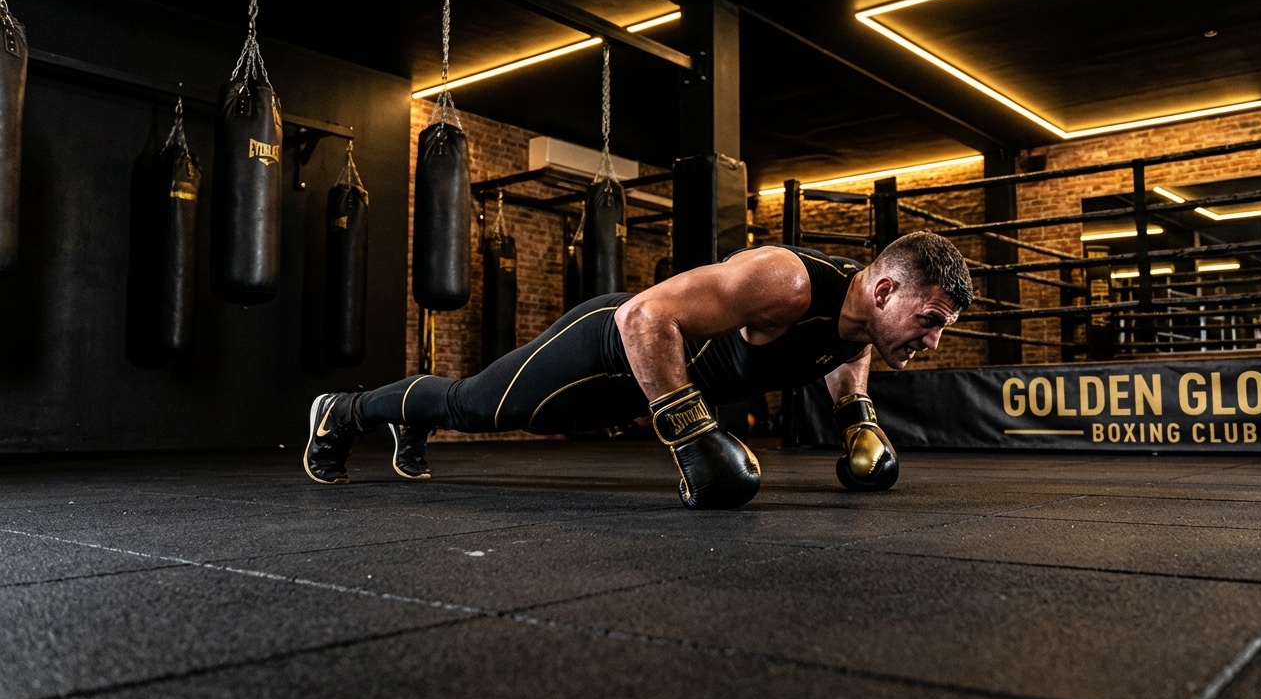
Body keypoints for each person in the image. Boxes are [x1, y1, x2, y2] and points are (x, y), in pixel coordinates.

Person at [302, 230, 973, 509]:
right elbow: (643, 320)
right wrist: (693, 438)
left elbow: (845, 350)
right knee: (475, 408)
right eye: (930, 321)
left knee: (504, 416)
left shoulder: (858, 322)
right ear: (885, 291)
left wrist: (857, 419)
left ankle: (402, 424)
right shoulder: (788, 283)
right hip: (612, 345)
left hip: (649, 385)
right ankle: (345, 411)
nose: (934, 342)